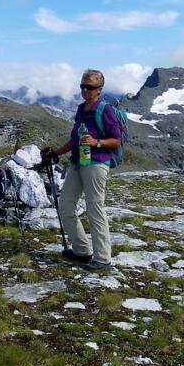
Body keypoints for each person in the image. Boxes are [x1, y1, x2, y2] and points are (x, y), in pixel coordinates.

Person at [42, 69, 122, 272]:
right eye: (82, 86)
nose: (85, 90)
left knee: (94, 208)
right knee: (65, 205)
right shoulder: (81, 109)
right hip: (78, 162)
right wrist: (56, 153)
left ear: (99, 89)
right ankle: (82, 251)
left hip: (96, 163)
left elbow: (116, 140)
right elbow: (75, 139)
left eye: (90, 87)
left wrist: (96, 142)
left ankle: (103, 259)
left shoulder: (105, 110)